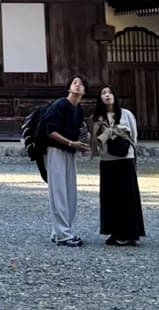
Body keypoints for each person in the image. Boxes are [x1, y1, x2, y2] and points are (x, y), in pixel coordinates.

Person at [90, 85, 145, 246]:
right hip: (107, 160)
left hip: (125, 158)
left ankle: (131, 233)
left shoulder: (126, 114)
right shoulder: (97, 118)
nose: (107, 95)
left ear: (115, 96)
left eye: (110, 92)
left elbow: (133, 136)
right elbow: (94, 140)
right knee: (111, 198)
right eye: (103, 93)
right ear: (100, 98)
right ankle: (115, 232)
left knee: (128, 196)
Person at [42, 76, 92, 245]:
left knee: (70, 192)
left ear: (84, 91)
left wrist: (81, 144)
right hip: (56, 150)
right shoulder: (59, 105)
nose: (78, 86)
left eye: (81, 84)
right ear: (69, 88)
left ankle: (61, 231)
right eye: (75, 83)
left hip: (70, 152)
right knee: (59, 192)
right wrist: (71, 143)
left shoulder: (78, 110)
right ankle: (63, 235)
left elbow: (79, 131)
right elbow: (50, 131)